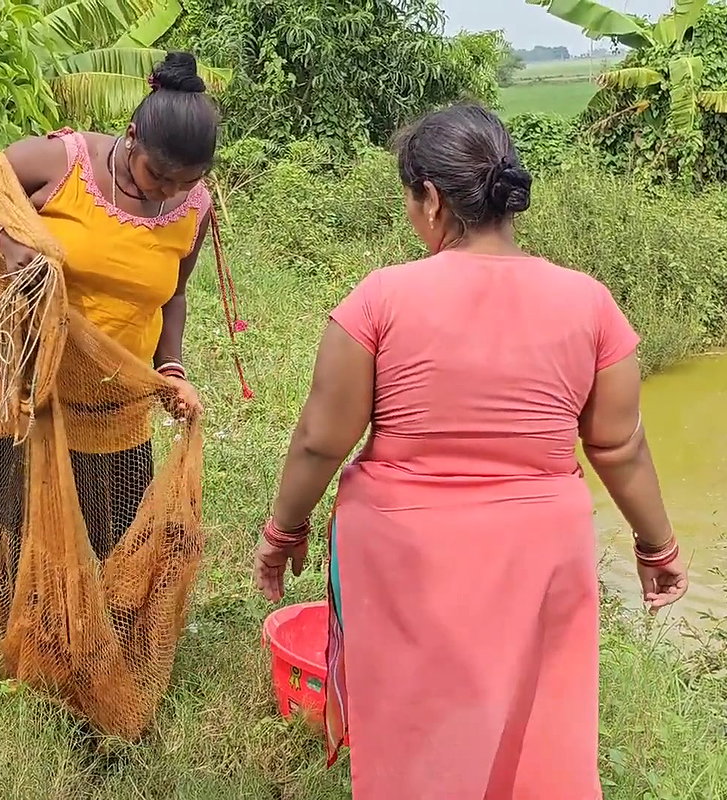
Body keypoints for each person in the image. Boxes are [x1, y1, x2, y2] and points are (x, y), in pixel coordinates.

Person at [252, 104, 689, 799]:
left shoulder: (380, 299)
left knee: (416, 732)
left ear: (429, 197)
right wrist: (657, 547)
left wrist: (284, 530)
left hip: (406, 554)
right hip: (538, 549)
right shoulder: (591, 303)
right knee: (535, 730)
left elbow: (319, 439)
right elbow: (620, 446)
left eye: (408, 197)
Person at [0, 51, 218, 562]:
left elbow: (175, 294)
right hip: (26, 390)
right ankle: (29, 641)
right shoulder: (63, 162)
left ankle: (98, 641)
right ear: (132, 135)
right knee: (23, 542)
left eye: (185, 181)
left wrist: (171, 367)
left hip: (113, 403)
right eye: (158, 174)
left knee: (117, 543)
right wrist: (8, 241)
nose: (168, 191)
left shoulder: (194, 207)